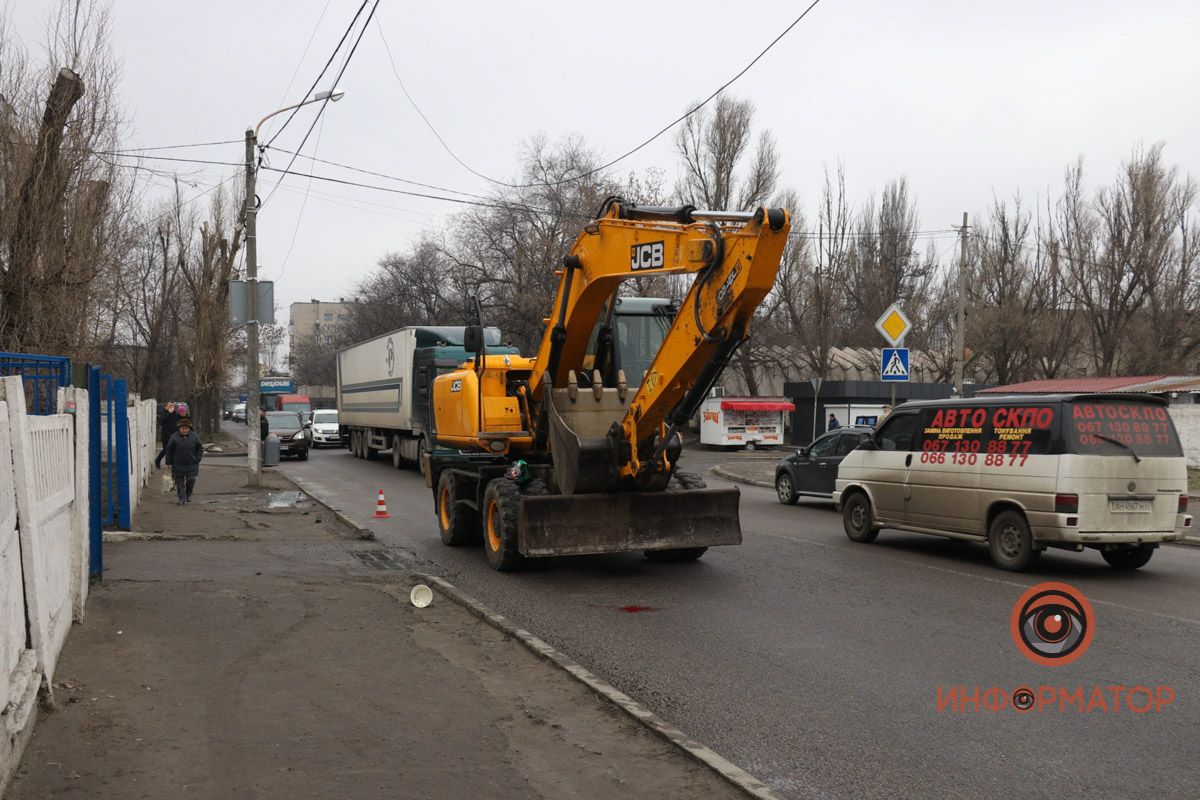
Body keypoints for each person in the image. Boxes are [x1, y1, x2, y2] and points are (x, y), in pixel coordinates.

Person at [164, 417, 204, 504]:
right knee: (179, 482)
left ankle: (188, 495)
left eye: (186, 429)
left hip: (192, 463)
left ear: (189, 428)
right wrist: (168, 462)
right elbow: (169, 450)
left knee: (191, 480)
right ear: (179, 429)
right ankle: (181, 498)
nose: (185, 430)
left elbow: (200, 448)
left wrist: (198, 458)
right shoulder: (174, 437)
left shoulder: (194, 436)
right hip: (178, 464)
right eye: (183, 429)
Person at [154, 401, 179, 469]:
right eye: (169, 406)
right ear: (167, 407)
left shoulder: (176, 414)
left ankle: (171, 464)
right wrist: (169, 413)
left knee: (173, 450)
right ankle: (158, 460)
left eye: (172, 406)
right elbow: (162, 420)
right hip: (166, 436)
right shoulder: (164, 414)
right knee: (166, 450)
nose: (171, 407)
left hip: (174, 435)